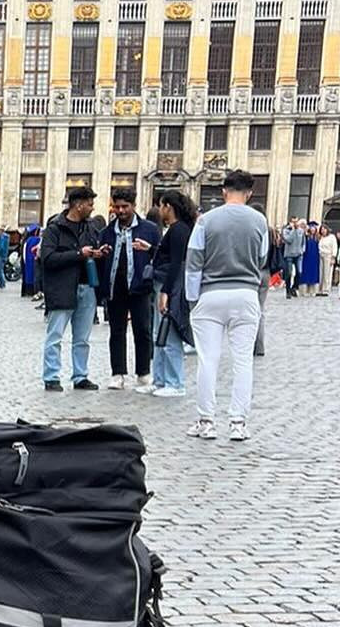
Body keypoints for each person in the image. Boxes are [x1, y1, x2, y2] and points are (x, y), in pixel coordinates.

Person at [185, 169, 268, 442]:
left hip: (211, 294)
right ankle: (238, 422)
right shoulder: (259, 220)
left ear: (223, 191)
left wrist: (192, 298)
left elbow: (194, 261)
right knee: (243, 360)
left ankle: (206, 420)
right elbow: (262, 256)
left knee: (208, 360)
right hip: (245, 294)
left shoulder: (206, 220)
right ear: (250, 192)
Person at [97, 189, 160, 392]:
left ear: (133, 205)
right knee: (117, 331)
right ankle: (117, 373)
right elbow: (100, 260)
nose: (121, 211)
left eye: (125, 206)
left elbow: (160, 256)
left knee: (142, 330)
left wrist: (149, 250)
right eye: (117, 207)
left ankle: (143, 372)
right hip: (116, 287)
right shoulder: (106, 232)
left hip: (140, 286)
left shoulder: (149, 229)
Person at [39, 187, 102, 393]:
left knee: (82, 338)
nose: (92, 208)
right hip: (62, 287)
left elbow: (91, 250)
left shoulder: (91, 228)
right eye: (89, 204)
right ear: (78, 204)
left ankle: (80, 376)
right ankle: (51, 376)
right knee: (55, 335)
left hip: (86, 286)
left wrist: (99, 253)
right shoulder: (55, 228)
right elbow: (47, 259)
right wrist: (78, 254)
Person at [150, 191, 196, 398]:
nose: (160, 210)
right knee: (159, 334)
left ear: (168, 206)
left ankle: (175, 382)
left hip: (171, 285)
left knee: (169, 334)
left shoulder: (179, 230)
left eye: (161, 206)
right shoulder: (177, 229)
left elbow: (177, 263)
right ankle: (159, 380)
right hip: (165, 282)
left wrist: (167, 292)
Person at [280, 218, 306, 299]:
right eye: (293, 222)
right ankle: (288, 290)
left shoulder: (301, 231)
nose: (295, 223)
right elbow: (289, 240)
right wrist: (293, 230)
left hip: (298, 254)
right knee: (289, 273)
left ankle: (294, 287)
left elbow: (303, 242)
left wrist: (302, 250)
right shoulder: (286, 231)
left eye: (296, 221)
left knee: (299, 272)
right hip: (289, 254)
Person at [21, 223, 41, 300]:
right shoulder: (36, 239)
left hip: (27, 261)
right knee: (34, 276)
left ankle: (27, 291)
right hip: (34, 260)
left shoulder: (27, 240)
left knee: (28, 276)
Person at [300, 222, 321, 295]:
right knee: (305, 272)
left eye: (314, 228)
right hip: (306, 256)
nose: (312, 230)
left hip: (315, 257)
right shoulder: (306, 237)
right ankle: (304, 290)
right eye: (311, 228)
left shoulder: (317, 238)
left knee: (314, 273)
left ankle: (313, 290)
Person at [317, 224, 338, 297]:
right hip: (321, 255)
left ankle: (326, 289)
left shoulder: (331, 237)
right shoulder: (321, 238)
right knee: (321, 273)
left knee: (327, 273)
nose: (323, 231)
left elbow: (334, 247)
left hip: (328, 255)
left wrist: (333, 257)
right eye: (322, 229)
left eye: (324, 229)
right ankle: (320, 289)